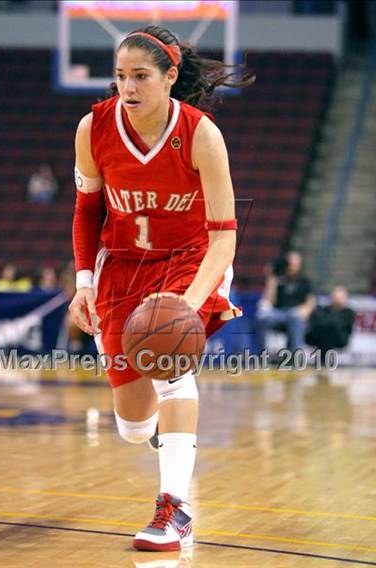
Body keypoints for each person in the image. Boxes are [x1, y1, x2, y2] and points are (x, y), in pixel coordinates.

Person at [68, 26, 254, 552]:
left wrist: (183, 308)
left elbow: (224, 240)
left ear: (170, 77)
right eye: (120, 75)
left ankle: (175, 508)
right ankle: (159, 430)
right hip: (122, 265)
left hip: (189, 259)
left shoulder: (200, 134)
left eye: (141, 76)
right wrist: (84, 283)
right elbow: (87, 212)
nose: (127, 86)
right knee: (131, 426)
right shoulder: (94, 127)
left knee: (173, 368)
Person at [255, 251, 315, 354]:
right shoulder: (278, 278)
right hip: (279, 313)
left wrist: (305, 310)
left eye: (295, 264)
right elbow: (269, 300)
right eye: (290, 264)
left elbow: (311, 301)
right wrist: (271, 279)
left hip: (295, 313)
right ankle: (261, 354)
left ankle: (296, 356)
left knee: (295, 317)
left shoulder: (304, 281)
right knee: (261, 317)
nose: (292, 267)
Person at [306, 286, 355, 365]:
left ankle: (323, 362)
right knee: (326, 331)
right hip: (321, 336)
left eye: (340, 298)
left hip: (340, 338)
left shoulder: (348, 312)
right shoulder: (323, 309)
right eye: (335, 297)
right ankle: (322, 362)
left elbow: (342, 326)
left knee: (331, 329)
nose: (337, 300)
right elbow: (317, 323)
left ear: (344, 298)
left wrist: (330, 322)